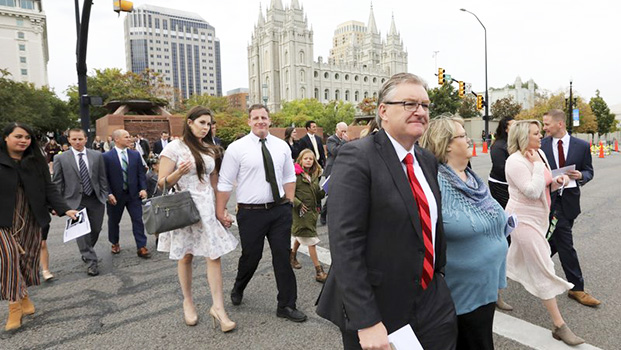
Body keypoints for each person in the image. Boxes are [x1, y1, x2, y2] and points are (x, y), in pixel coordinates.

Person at [316, 73, 457, 350]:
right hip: (379, 308)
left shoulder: (427, 160)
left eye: (425, 105)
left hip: (431, 301)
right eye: (409, 104)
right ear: (383, 111)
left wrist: (439, 283)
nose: (420, 111)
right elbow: (346, 243)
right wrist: (366, 321)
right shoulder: (358, 156)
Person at [420, 116, 508, 350]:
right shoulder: (435, 182)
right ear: (446, 143)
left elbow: (491, 215)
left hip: (486, 286)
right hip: (460, 294)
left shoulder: (471, 178)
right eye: (462, 135)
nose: (469, 139)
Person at [216, 104, 307, 323]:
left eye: (264, 117)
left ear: (269, 120)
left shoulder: (281, 146)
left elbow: (289, 176)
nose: (260, 121)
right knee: (251, 256)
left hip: (279, 211)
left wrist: (289, 201)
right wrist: (221, 211)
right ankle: (239, 286)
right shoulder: (236, 148)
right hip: (251, 213)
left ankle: (286, 304)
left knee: (282, 257)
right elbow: (225, 181)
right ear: (248, 121)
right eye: (255, 117)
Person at [157, 106, 238, 330]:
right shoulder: (174, 148)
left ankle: (218, 308)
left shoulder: (210, 149)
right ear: (190, 122)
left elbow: (215, 182)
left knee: (214, 256)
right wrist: (178, 173)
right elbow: (161, 183)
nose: (206, 127)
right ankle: (188, 301)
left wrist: (221, 210)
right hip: (184, 207)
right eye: (201, 122)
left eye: (209, 123)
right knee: (186, 256)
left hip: (207, 207)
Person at [505, 120, 584, 345]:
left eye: (540, 132)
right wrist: (539, 169)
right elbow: (531, 190)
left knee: (513, 258)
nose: (541, 136)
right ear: (522, 136)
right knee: (543, 266)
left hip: (540, 217)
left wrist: (557, 181)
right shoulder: (515, 161)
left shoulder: (539, 153)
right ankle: (560, 325)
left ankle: (493, 289)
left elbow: (544, 184)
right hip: (521, 219)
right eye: (536, 133)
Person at [0, 122, 78, 331]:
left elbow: (49, 187)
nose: (23, 141)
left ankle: (23, 294)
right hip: (3, 220)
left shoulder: (36, 161)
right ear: (6, 137)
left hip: (31, 216)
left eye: (27, 137)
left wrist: (64, 209)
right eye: (18, 136)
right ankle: (14, 306)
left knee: (26, 260)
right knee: (9, 257)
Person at [541, 109, 599, 307]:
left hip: (570, 201)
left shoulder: (581, 146)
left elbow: (589, 171)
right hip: (549, 199)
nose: (544, 127)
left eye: (547, 124)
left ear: (560, 124)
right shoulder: (540, 146)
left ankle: (530, 265)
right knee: (565, 242)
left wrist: (580, 176)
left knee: (555, 241)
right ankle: (577, 288)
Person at [53, 128, 109, 276]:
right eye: (74, 139)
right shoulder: (61, 158)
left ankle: (87, 250)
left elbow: (102, 177)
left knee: (96, 229)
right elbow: (57, 182)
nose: (77, 142)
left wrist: (106, 194)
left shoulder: (97, 156)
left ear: (86, 139)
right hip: (74, 201)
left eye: (80, 139)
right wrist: (56, 204)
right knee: (81, 232)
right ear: (69, 140)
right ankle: (91, 261)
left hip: (95, 198)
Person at [103, 129, 151, 259]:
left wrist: (143, 188)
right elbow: (104, 177)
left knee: (138, 220)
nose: (130, 139)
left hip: (133, 194)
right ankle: (115, 242)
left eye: (129, 136)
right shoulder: (107, 157)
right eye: (126, 137)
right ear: (116, 139)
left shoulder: (135, 155)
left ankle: (141, 246)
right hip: (115, 196)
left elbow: (140, 173)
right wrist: (109, 193)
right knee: (114, 221)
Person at [290, 149, 327, 283]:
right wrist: (298, 204)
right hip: (301, 212)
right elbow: (288, 193)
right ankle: (319, 271)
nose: (308, 161)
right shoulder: (295, 175)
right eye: (306, 158)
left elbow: (317, 194)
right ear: (300, 159)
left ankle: (292, 255)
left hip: (312, 212)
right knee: (311, 241)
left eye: (311, 159)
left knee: (301, 234)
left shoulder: (314, 175)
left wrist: (326, 190)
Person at [320, 122, 349, 225]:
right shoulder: (331, 139)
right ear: (337, 130)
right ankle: (324, 213)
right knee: (332, 193)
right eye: (342, 131)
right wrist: (344, 142)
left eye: (346, 131)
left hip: (343, 168)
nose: (344, 133)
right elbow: (336, 151)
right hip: (332, 169)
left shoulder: (346, 140)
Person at [489, 116, 515, 209]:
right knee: (506, 210)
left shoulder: (514, 143)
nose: (516, 127)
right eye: (513, 126)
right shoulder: (498, 146)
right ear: (506, 129)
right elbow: (500, 167)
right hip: (499, 184)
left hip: (511, 184)